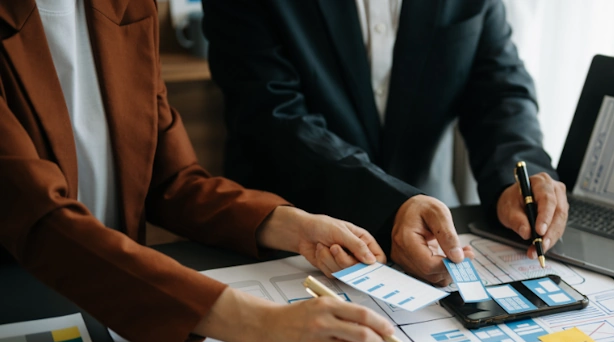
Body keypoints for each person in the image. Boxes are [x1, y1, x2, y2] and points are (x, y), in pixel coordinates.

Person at [0, 0, 395, 342]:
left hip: (123, 307)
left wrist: (291, 225)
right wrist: (262, 322)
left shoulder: (128, 7)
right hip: (23, 313)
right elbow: (42, 220)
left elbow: (171, 180)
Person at [201, 0, 570, 285]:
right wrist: (391, 206)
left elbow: (499, 90)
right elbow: (272, 118)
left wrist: (519, 178)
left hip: (431, 233)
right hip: (288, 241)